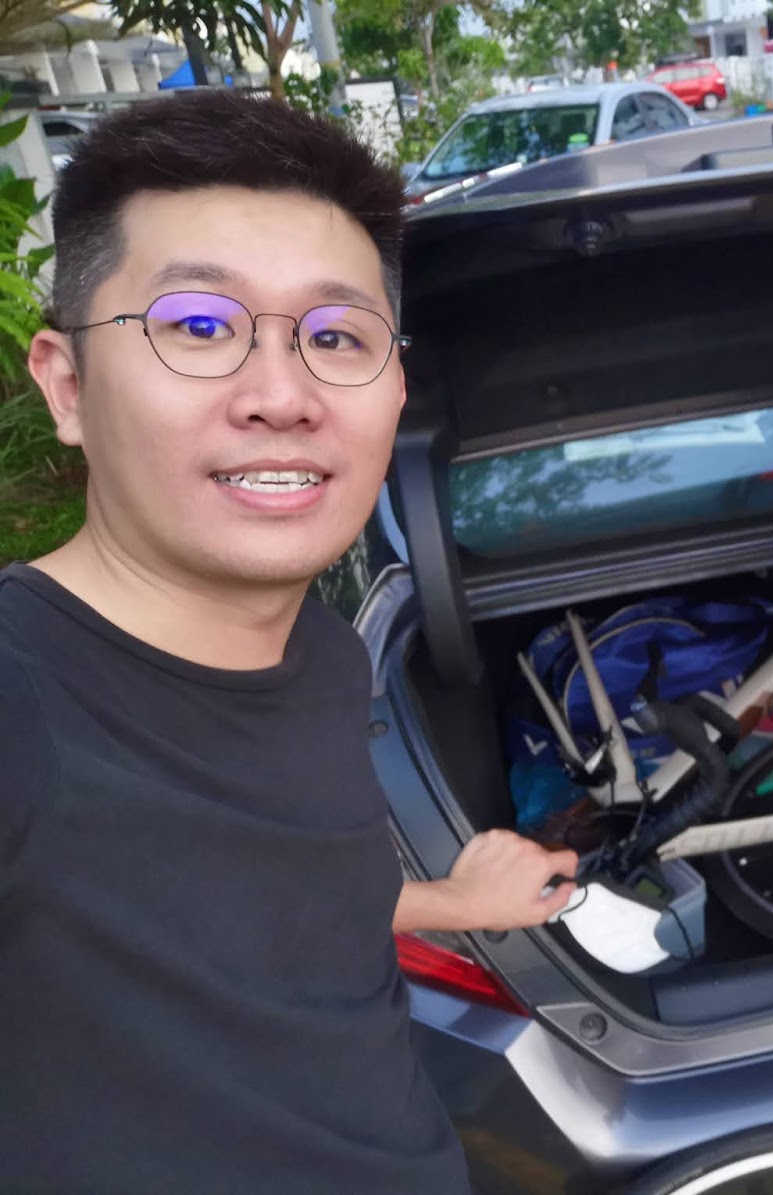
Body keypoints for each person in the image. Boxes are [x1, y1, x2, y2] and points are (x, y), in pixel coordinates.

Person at [0, 90, 578, 1193]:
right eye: (199, 327)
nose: (281, 394)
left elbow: (247, 897)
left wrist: (452, 904)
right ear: (68, 387)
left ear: (394, 388)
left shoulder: (320, 653)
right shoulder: (19, 705)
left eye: (336, 336)